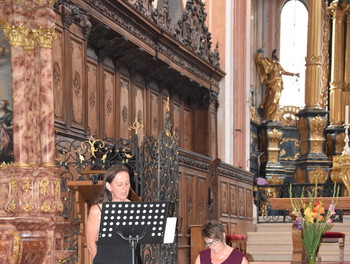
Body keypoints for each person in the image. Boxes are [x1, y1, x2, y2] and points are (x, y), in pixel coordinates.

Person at [86, 163, 133, 264]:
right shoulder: (97, 210)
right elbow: (91, 244)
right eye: (120, 184)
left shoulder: (133, 208)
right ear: (109, 186)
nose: (124, 188)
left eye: (127, 183)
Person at [255, 49, 299, 122]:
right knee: (272, 101)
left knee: (276, 101)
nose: (278, 56)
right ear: (274, 55)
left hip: (279, 84)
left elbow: (284, 72)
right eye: (277, 54)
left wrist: (293, 74)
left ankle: (273, 117)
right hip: (273, 84)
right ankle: (268, 117)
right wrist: (259, 53)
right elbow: (259, 61)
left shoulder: (278, 65)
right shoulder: (270, 64)